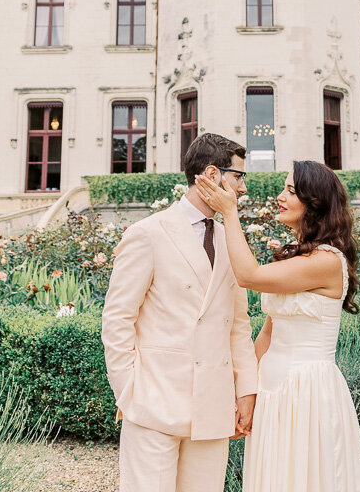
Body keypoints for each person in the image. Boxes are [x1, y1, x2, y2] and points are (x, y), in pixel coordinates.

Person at [195, 161, 360, 492]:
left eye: (290, 191)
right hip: (273, 391)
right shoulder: (297, 258)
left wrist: (229, 215)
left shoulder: (327, 261)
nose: (280, 196)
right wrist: (247, 390)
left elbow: (249, 277)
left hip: (307, 393)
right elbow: (269, 333)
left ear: (314, 203)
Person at [102, 133, 259, 492]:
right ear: (211, 174)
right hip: (153, 402)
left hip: (213, 408)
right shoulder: (149, 233)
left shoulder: (230, 238)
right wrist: (130, 391)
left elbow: (238, 324)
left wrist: (247, 389)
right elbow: (117, 319)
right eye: (238, 176)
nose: (244, 188)